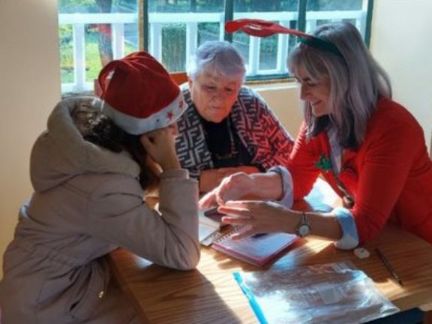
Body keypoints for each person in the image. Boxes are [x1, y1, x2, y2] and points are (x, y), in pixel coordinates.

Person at [0, 52, 200, 323]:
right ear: (150, 134)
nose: (175, 133)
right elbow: (183, 254)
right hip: (46, 304)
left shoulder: (97, 148)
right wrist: (172, 166)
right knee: (171, 311)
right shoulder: (105, 186)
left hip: (55, 280)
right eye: (170, 127)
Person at [201, 21, 432, 249]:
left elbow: (364, 223)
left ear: (345, 79)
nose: (302, 94)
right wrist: (249, 183)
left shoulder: (393, 128)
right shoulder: (321, 121)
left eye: (310, 82)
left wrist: (287, 220)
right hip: (382, 242)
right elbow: (298, 179)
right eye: (299, 81)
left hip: (419, 246)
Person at [175, 40, 294, 193]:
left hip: (254, 201)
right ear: (191, 82)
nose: (219, 98)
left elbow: (289, 152)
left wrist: (257, 171)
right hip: (192, 205)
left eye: (229, 89)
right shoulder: (172, 112)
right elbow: (152, 180)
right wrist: (201, 180)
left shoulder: (250, 102)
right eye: (210, 87)